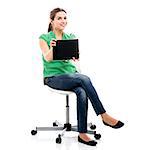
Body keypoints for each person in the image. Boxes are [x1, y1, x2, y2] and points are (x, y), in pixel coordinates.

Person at [39, 8, 124, 146]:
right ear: (52, 21)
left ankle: (82, 133)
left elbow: (73, 62)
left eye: (65, 18)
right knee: (84, 79)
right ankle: (103, 115)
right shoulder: (44, 38)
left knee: (82, 90)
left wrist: (74, 58)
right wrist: (53, 47)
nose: (63, 21)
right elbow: (47, 58)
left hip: (71, 75)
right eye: (59, 18)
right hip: (53, 77)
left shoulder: (70, 37)